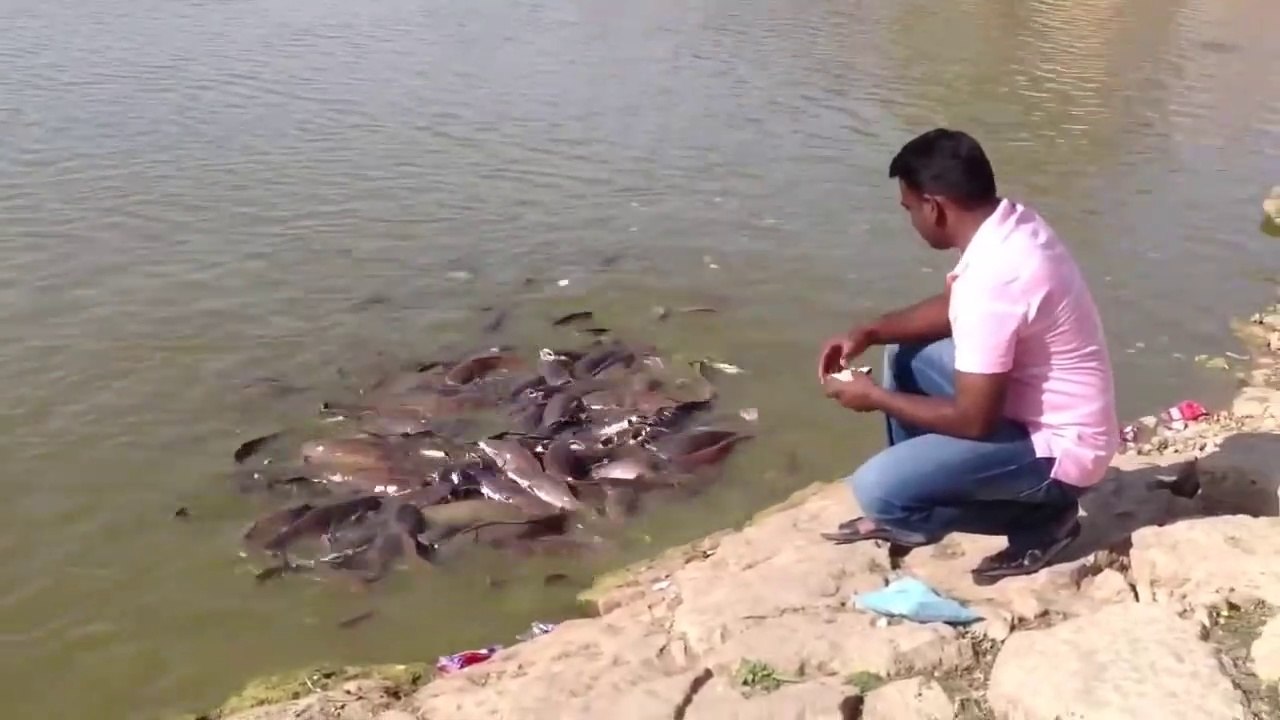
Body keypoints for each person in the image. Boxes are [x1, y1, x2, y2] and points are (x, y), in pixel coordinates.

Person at [817, 128, 1118, 586]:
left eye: (909, 208)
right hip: (1042, 413)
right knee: (905, 353)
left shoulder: (995, 278)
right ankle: (918, 492)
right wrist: (870, 331)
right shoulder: (1012, 225)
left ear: (933, 207)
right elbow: (957, 309)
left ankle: (1039, 519)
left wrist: (873, 396)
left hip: (1062, 451)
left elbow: (974, 420)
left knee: (878, 491)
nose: (910, 220)